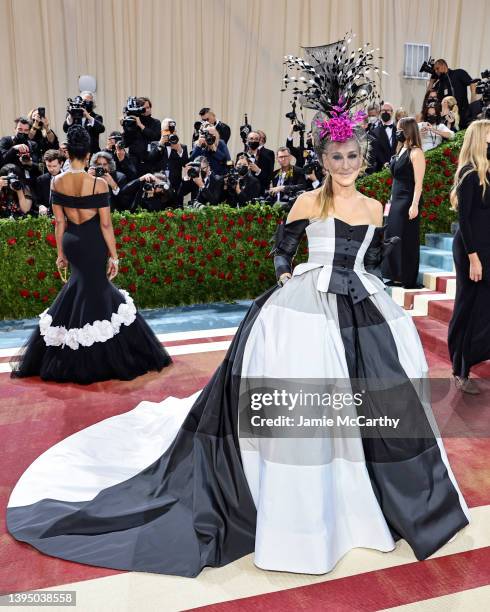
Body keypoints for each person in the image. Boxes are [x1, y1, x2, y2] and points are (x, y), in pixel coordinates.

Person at [6, 37, 469, 579]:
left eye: (352, 156)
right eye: (335, 156)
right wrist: (284, 271)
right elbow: (282, 246)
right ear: (322, 158)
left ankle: (369, 497)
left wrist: (375, 277)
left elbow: (382, 256)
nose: (344, 163)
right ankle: (303, 511)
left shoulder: (373, 205)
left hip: (362, 306)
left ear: (362, 158)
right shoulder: (306, 201)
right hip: (303, 311)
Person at [9, 126, 171, 384]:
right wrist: (114, 256)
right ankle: (99, 356)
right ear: (88, 155)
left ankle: (76, 346)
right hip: (93, 243)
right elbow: (106, 225)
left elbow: (59, 222)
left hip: (72, 243)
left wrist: (61, 252)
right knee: (97, 291)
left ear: (67, 153)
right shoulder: (97, 183)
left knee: (86, 290)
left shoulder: (56, 181)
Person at [448, 119, 490, 394]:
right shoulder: (468, 172)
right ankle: (460, 370)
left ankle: (472, 357)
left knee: (483, 307)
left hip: (486, 247)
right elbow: (464, 219)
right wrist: (474, 257)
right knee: (468, 306)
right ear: (480, 138)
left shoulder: (485, 170)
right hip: (471, 249)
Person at [381, 117, 425, 288]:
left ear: (408, 130)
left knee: (406, 238)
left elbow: (419, 183)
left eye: (399, 128)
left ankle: (407, 277)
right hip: (395, 200)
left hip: (408, 200)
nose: (396, 131)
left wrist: (414, 204)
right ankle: (393, 274)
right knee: (392, 237)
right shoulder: (400, 150)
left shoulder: (416, 153)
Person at [427, 59, 477, 129]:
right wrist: (431, 81)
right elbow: (428, 94)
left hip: (462, 114)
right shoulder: (440, 83)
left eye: (437, 68)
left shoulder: (459, 73)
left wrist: (473, 102)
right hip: (446, 118)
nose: (436, 71)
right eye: (435, 70)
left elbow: (472, 83)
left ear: (443, 65)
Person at [370, 102, 398, 171]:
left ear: (392, 112)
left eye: (388, 110)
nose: (385, 112)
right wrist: (384, 163)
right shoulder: (374, 132)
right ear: (380, 113)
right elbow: (376, 151)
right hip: (381, 169)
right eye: (383, 110)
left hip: (397, 167)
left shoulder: (398, 129)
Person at [35, 149, 64, 215]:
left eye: (54, 166)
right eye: (49, 166)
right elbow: (37, 201)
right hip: (47, 217)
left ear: (61, 164)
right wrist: (40, 206)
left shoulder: (68, 179)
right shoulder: (41, 179)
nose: (51, 169)